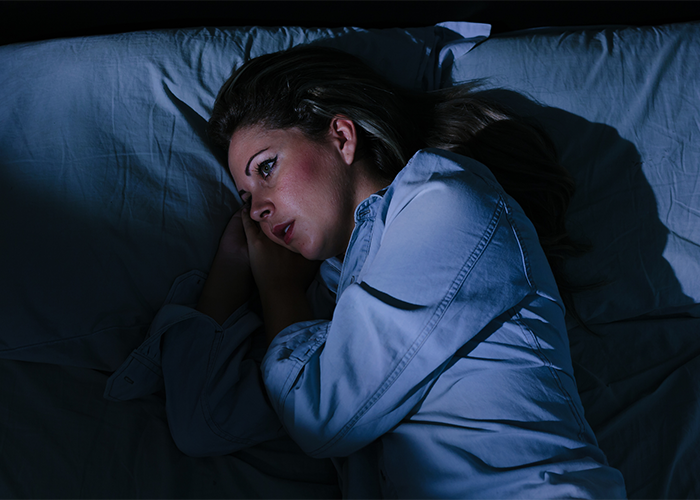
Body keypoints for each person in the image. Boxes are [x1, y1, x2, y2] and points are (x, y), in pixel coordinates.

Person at [108, 45, 627, 498]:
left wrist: (277, 290)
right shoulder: (331, 300)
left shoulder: (447, 202)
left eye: (266, 169)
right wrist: (230, 265)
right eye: (244, 200)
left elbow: (319, 417)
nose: (257, 209)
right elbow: (204, 424)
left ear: (341, 136)